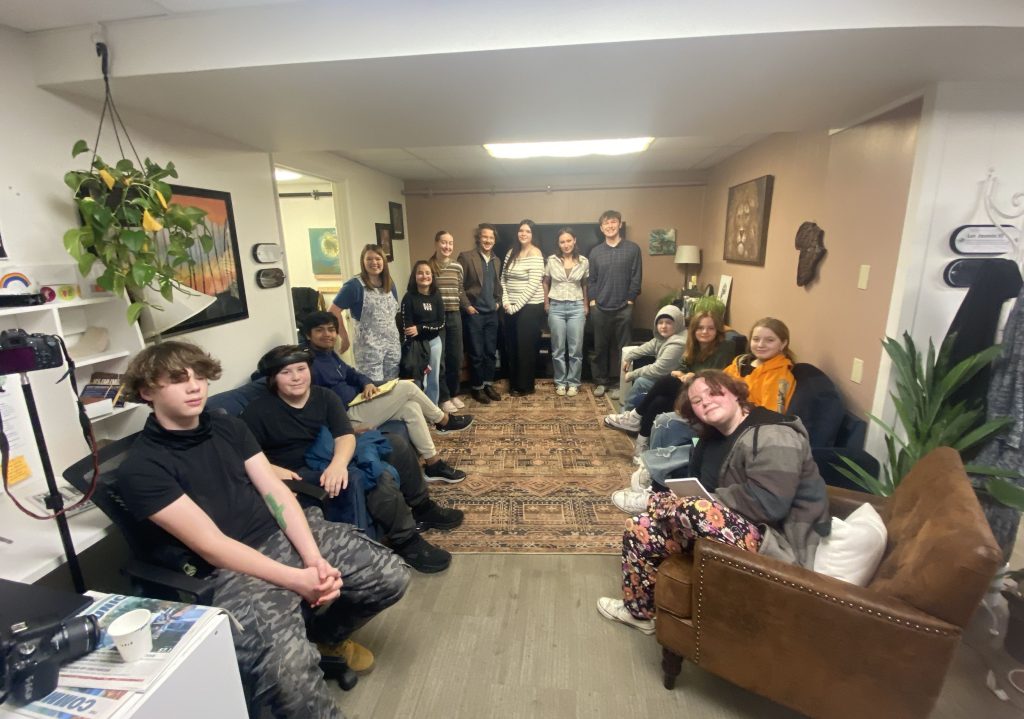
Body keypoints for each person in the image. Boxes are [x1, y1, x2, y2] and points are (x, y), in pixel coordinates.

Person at [117, 341, 409, 718]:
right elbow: (213, 545)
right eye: (177, 380)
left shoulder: (226, 425)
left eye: (200, 377)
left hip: (280, 536)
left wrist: (313, 559)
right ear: (146, 391)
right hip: (233, 568)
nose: (194, 387)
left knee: (390, 576)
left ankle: (327, 639)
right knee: (288, 675)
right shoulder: (141, 468)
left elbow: (275, 491)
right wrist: (299, 580)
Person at [596, 369, 830, 634]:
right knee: (639, 528)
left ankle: (653, 500)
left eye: (713, 392)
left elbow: (770, 503)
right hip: (728, 527)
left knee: (696, 508)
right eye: (696, 401)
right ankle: (638, 612)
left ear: (736, 393)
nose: (705, 401)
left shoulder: (774, 434)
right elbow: (702, 487)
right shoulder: (712, 436)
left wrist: (701, 502)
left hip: (776, 544)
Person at [241, 345, 460, 573]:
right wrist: (272, 471)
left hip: (330, 454)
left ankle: (422, 507)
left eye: (301, 369)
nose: (296, 377)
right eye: (286, 373)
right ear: (273, 378)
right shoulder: (257, 412)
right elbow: (241, 455)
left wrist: (338, 464)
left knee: (395, 443)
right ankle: (406, 541)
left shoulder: (324, 397)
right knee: (377, 476)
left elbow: (344, 435)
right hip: (301, 471)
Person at [302, 310, 471, 482]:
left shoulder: (329, 355)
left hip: (359, 403)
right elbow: (315, 408)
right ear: (308, 335)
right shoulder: (308, 366)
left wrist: (367, 383)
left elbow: (353, 374)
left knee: (410, 408)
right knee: (406, 387)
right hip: (347, 417)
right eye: (320, 330)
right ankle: (444, 421)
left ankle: (433, 464)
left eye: (331, 329)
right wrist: (347, 430)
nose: (327, 334)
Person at [613, 310, 735, 454]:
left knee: (666, 381)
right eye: (700, 328)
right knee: (659, 401)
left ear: (718, 330)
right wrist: (683, 374)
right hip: (690, 391)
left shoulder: (724, 347)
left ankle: (635, 416)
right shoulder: (692, 345)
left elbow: (717, 376)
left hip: (709, 395)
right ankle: (642, 443)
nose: (704, 332)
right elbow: (683, 366)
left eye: (710, 328)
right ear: (694, 330)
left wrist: (693, 376)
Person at [588, 209, 642, 398]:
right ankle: (601, 382)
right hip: (600, 307)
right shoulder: (595, 252)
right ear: (601, 228)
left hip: (624, 308)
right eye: (606, 223)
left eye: (613, 222)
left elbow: (636, 277)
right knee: (600, 348)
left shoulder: (633, 249)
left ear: (619, 224)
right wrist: (593, 302)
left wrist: (630, 300)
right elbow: (591, 280)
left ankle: (623, 384)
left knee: (625, 350)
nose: (610, 226)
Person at [603, 304, 685, 429]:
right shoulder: (664, 338)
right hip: (666, 378)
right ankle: (629, 414)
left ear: (678, 323)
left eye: (668, 322)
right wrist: (629, 356)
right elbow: (648, 346)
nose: (663, 326)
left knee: (641, 382)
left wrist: (632, 374)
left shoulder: (678, 343)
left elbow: (658, 369)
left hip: (675, 382)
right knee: (642, 379)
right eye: (660, 322)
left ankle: (627, 416)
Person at [330, 244, 401, 384]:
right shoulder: (354, 286)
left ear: (384, 262)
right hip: (369, 350)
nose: (374, 262)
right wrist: (344, 337)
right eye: (369, 259)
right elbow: (333, 311)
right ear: (363, 261)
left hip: (392, 348)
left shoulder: (389, 284)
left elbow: (393, 313)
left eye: (378, 258)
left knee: (392, 387)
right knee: (373, 389)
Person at [458, 223, 503, 405]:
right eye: (485, 237)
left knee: (490, 352)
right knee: (476, 353)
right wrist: (467, 306)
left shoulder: (496, 260)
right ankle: (477, 388)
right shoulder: (466, 257)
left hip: (491, 313)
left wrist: (498, 301)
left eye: (491, 238)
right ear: (478, 238)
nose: (488, 240)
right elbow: (458, 285)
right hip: (474, 313)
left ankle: (487, 384)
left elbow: (497, 284)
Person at [543, 227, 589, 396]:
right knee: (558, 348)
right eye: (562, 241)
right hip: (556, 307)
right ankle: (560, 382)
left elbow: (585, 284)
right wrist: (546, 303)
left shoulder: (584, 261)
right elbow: (546, 281)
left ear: (574, 240)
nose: (566, 244)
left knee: (576, 349)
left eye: (569, 240)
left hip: (576, 307)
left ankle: (574, 383)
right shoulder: (552, 260)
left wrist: (585, 305)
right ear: (559, 243)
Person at [501, 219, 545, 396]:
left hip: (530, 307)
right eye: (521, 230)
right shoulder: (511, 252)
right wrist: (506, 301)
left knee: (525, 347)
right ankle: (514, 383)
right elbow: (503, 279)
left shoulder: (536, 253)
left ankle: (525, 386)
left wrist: (515, 307)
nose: (523, 234)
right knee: (512, 345)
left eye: (527, 231)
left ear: (532, 234)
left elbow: (533, 284)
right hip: (509, 305)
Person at [429, 230, 469, 414]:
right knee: (440, 359)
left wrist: (468, 306)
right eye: (444, 242)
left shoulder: (457, 266)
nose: (447, 246)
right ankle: (443, 397)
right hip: (437, 318)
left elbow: (460, 290)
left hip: (455, 315)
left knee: (455, 357)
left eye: (450, 243)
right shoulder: (429, 266)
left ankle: (454, 393)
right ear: (437, 243)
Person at [724, 316, 797, 413]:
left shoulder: (780, 377)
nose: (760, 345)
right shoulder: (740, 362)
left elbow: (770, 417)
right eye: (756, 339)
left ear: (783, 344)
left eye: (770, 340)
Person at [400, 261, 445, 404]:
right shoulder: (408, 298)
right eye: (420, 273)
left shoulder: (436, 295)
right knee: (418, 380)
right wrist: (418, 331)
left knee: (433, 379)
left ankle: (433, 409)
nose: (424, 276)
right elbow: (407, 327)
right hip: (417, 346)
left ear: (432, 276)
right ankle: (418, 410)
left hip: (434, 343)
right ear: (414, 276)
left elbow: (441, 323)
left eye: (427, 273)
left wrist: (420, 328)